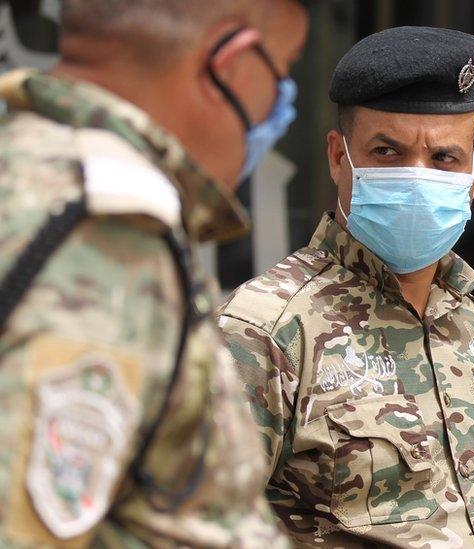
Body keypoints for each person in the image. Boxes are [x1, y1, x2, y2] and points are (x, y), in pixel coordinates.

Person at [0, 0, 309, 545]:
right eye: (282, 71)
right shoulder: (104, 240)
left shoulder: (30, 172)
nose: (280, 107)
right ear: (229, 64)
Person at [218, 26, 474, 548]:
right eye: (387, 152)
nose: (417, 176)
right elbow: (202, 527)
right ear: (339, 158)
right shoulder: (264, 330)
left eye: (443, 159)